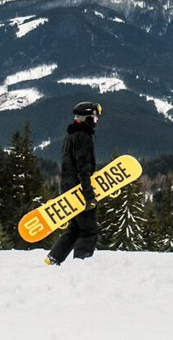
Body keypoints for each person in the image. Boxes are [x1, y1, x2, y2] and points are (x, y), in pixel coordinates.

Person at [44, 101, 101, 265]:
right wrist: (89, 195)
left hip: (69, 188)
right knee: (89, 230)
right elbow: (83, 168)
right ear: (87, 118)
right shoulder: (83, 137)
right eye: (95, 116)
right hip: (79, 190)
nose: (97, 120)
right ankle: (81, 265)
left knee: (75, 228)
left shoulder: (71, 135)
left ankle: (53, 259)